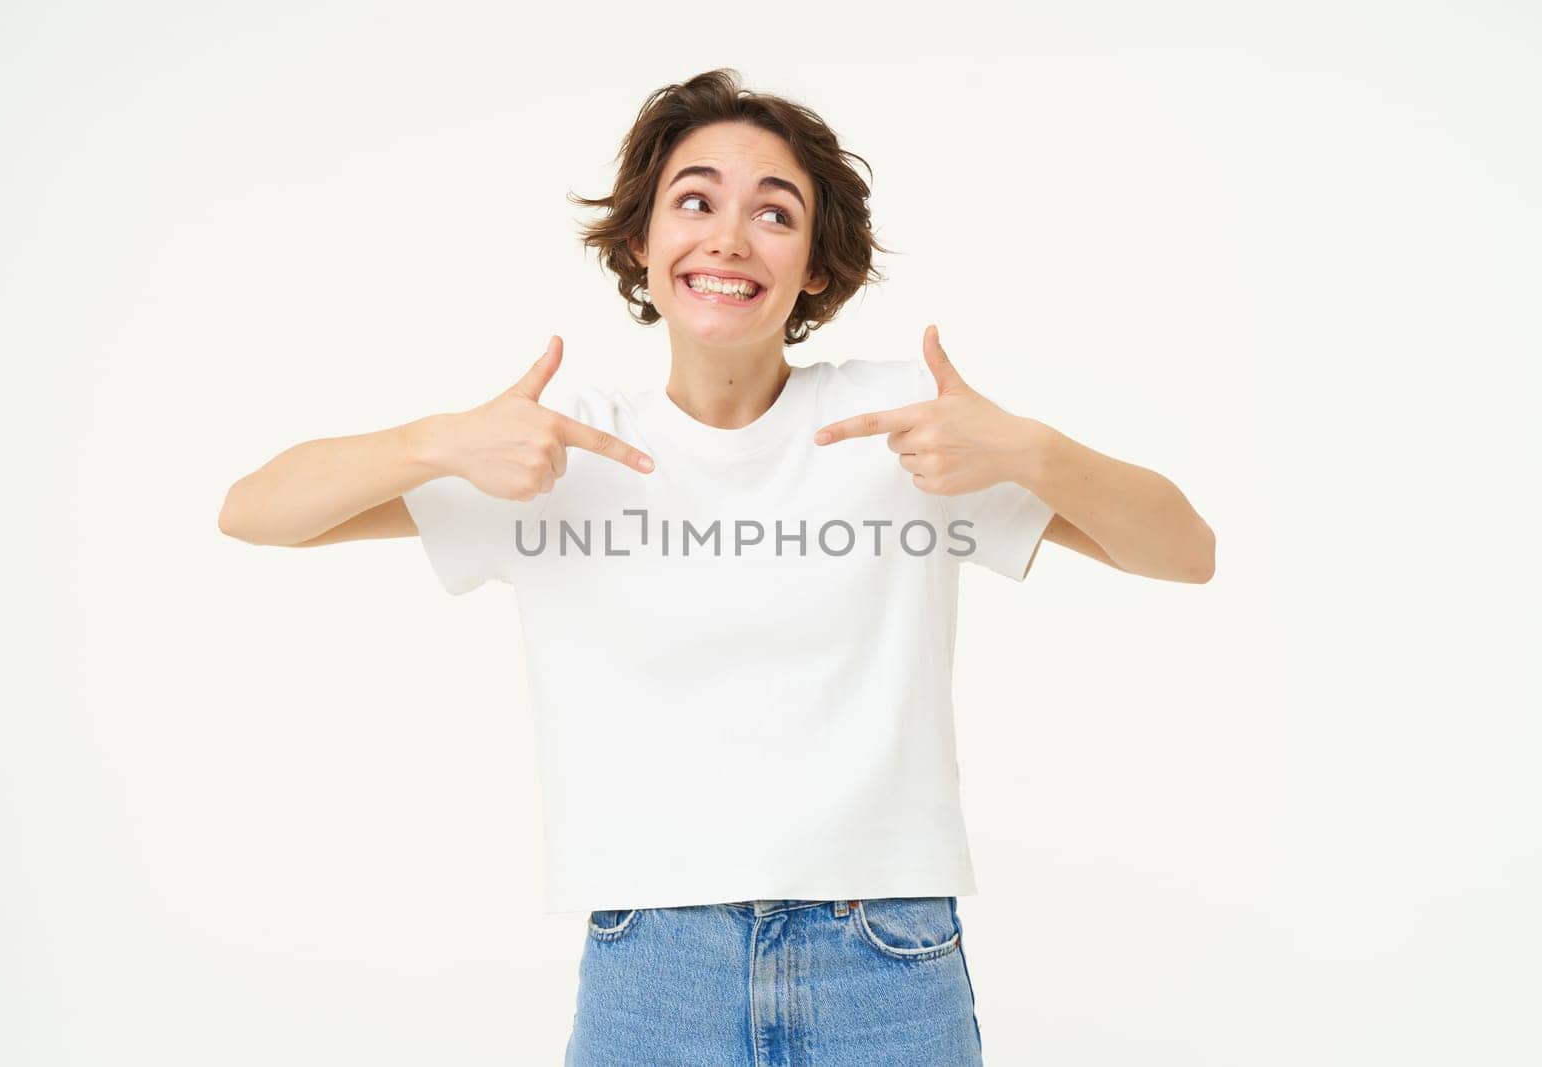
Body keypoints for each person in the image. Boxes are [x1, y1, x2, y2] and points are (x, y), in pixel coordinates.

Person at [219, 68, 1215, 1066]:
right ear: (639, 244)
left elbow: (1183, 550)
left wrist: (1027, 450)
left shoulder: (903, 429)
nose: (729, 237)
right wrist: (436, 441)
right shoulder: (557, 448)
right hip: (655, 963)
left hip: (884, 956)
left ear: (815, 268)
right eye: (694, 201)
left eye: (773, 213)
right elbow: (256, 510)